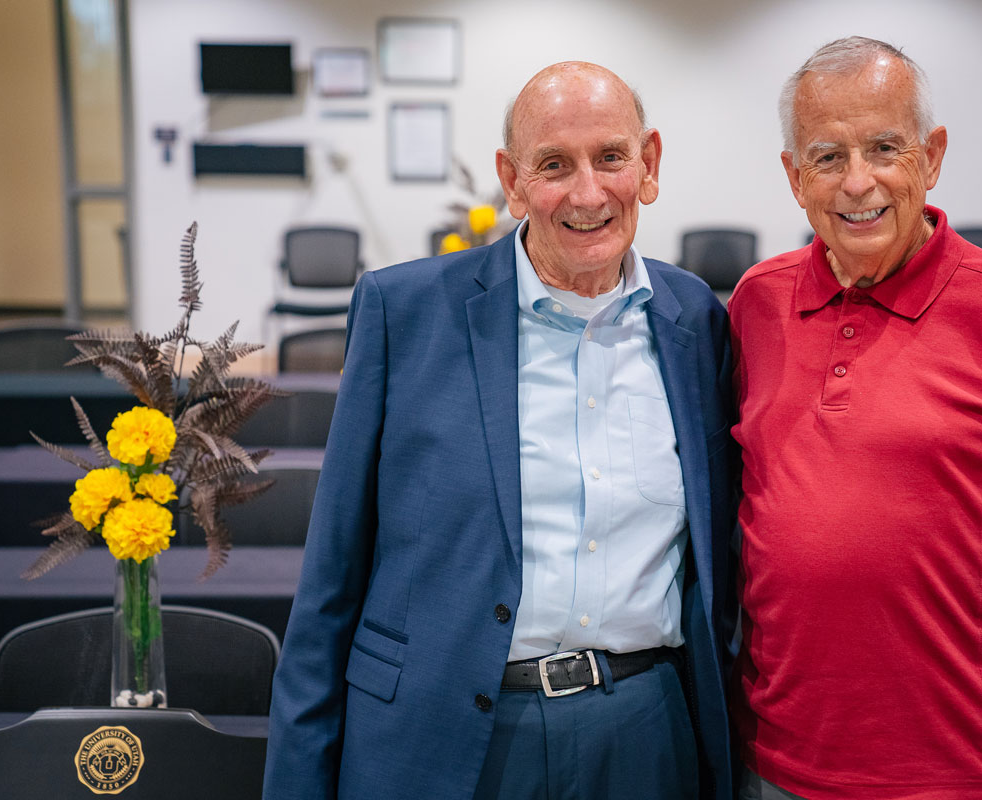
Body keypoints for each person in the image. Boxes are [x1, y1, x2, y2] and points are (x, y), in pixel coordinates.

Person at [263, 61, 736, 800]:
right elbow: (332, 579)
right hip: (446, 736)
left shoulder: (695, 321)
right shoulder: (404, 313)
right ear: (511, 181)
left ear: (648, 165)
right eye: (554, 165)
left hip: (645, 734)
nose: (588, 192)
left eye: (611, 157)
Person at [728, 36, 982, 800]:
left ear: (932, 157)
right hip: (777, 766)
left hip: (964, 772)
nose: (858, 181)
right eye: (827, 156)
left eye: (885, 147)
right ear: (792, 176)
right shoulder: (755, 304)